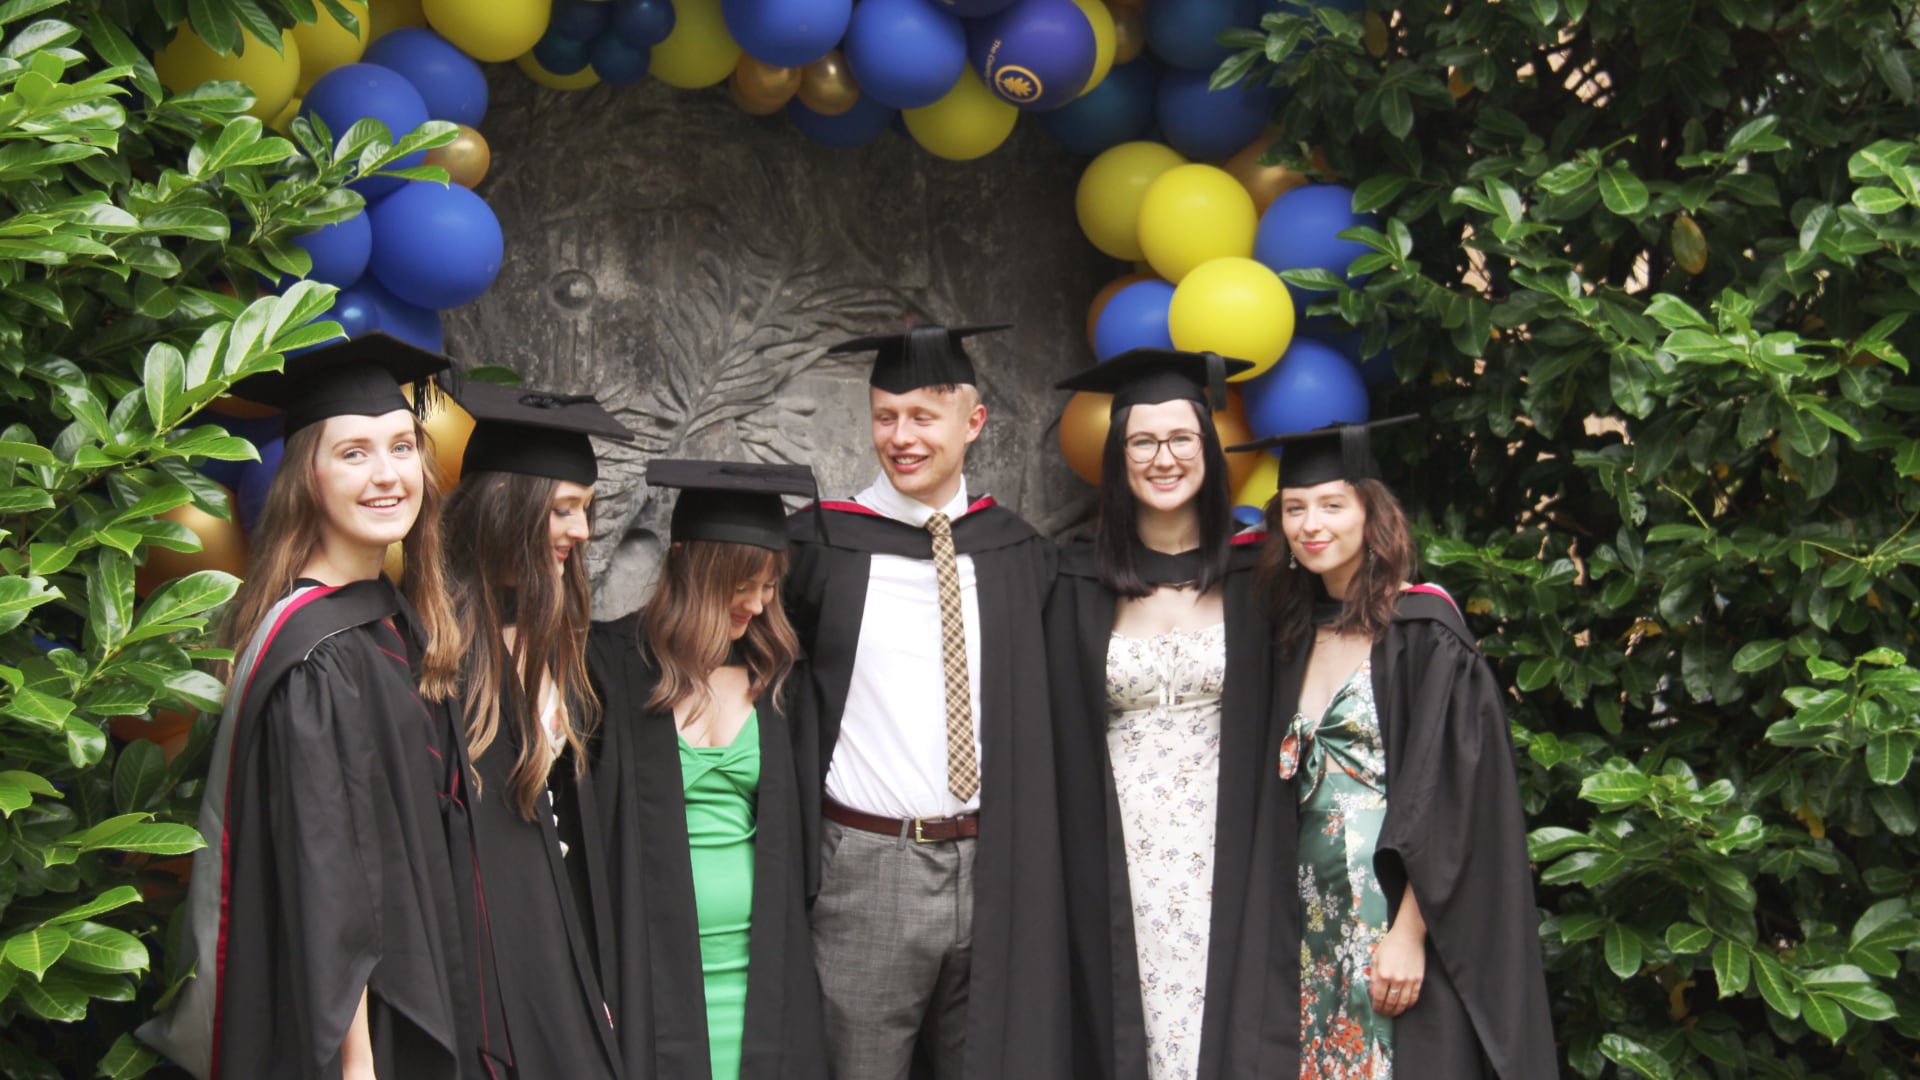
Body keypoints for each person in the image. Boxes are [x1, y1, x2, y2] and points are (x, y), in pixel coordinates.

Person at [138, 333, 480, 1079]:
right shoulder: (317, 653)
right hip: (364, 1030)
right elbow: (330, 883)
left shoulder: (383, 620)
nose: (389, 475)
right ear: (307, 478)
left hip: (414, 981)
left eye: (400, 447)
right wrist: (357, 1066)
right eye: (354, 453)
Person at [1228, 417, 1558, 1078]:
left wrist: (1409, 935)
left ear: (1370, 514)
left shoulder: (1423, 633)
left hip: (1392, 915)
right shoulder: (1289, 636)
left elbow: (1453, 799)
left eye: (1331, 504)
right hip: (1303, 922)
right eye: (1295, 508)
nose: (1311, 523)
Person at [783, 324, 1069, 1080]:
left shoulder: (1017, 556)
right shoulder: (818, 548)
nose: (900, 437)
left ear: (971, 423)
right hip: (869, 868)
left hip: (998, 863)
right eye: (885, 416)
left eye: (922, 417)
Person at [1044, 349, 1300, 1080]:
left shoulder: (1264, 577)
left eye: (1182, 438)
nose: (1164, 458)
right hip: (1118, 851)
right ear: (1118, 458)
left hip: (1232, 844)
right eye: (1143, 442)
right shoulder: (1071, 582)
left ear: (1209, 451)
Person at [587, 459, 828, 1080]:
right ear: (695, 571)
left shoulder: (777, 678)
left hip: (763, 970)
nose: (756, 603)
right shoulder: (609, 665)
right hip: (649, 971)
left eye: (770, 585)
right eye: (741, 583)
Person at [439, 383, 635, 1079]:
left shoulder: (562, 642)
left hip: (562, 948)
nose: (582, 532)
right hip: (481, 965)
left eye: (586, 509)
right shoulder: (436, 654)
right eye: (563, 510)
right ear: (507, 511)